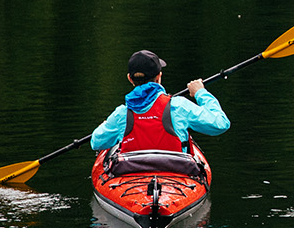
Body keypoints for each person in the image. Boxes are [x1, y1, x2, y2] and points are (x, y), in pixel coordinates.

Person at [90, 49, 231, 175]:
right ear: (159, 76)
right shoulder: (179, 106)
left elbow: (96, 143)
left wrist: (105, 125)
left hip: (131, 174)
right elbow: (221, 124)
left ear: (130, 78)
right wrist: (200, 92)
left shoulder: (121, 113)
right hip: (177, 174)